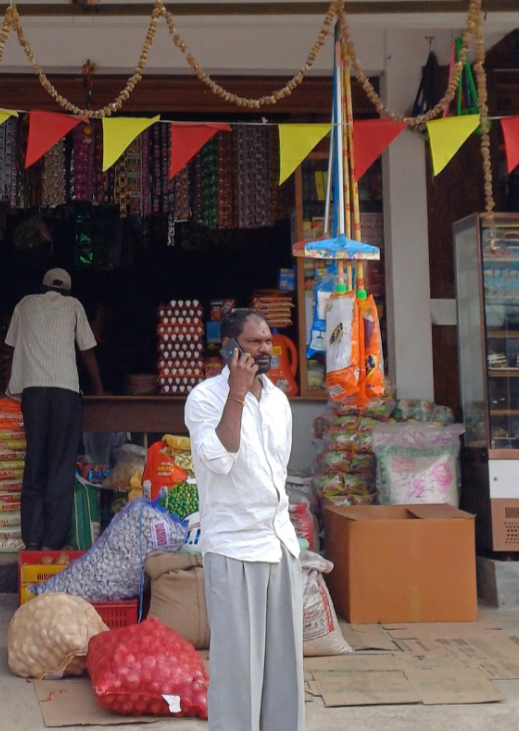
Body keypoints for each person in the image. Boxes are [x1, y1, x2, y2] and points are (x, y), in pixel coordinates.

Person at [184, 308, 303, 731]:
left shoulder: (278, 401)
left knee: (284, 671)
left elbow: (278, 470)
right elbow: (219, 459)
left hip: (279, 545)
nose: (265, 350)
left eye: (268, 341)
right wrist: (236, 393)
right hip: (234, 548)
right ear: (229, 347)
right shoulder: (204, 398)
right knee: (237, 673)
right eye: (254, 342)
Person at [5, 268, 105, 550]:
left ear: (42, 287)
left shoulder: (24, 305)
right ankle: (53, 541)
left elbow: (10, 348)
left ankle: (32, 539)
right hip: (66, 392)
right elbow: (87, 350)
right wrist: (98, 387)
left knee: (35, 461)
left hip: (33, 392)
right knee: (60, 466)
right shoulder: (74, 306)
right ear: (68, 290)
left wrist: (9, 386)